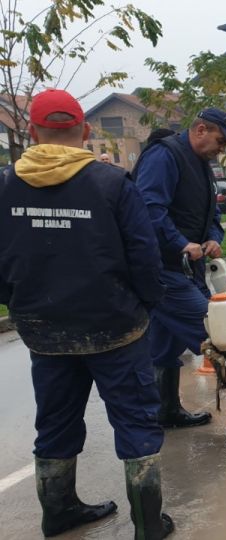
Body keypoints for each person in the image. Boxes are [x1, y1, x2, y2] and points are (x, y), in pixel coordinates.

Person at [0, 89, 173, 537]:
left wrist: (19, 304)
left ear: (33, 132)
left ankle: (58, 513)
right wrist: (146, 306)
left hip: (45, 332)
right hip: (115, 328)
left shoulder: (5, 185)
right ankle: (148, 525)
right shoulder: (111, 183)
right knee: (135, 422)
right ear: (86, 131)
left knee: (54, 422)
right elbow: (145, 257)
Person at [133, 108, 226, 428]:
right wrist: (180, 242)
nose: (223, 149)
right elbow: (148, 208)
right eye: (221, 141)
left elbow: (213, 216)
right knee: (216, 331)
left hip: (186, 267)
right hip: (161, 269)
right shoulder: (164, 157)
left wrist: (212, 238)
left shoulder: (202, 166)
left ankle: (163, 412)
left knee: (163, 345)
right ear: (200, 130)